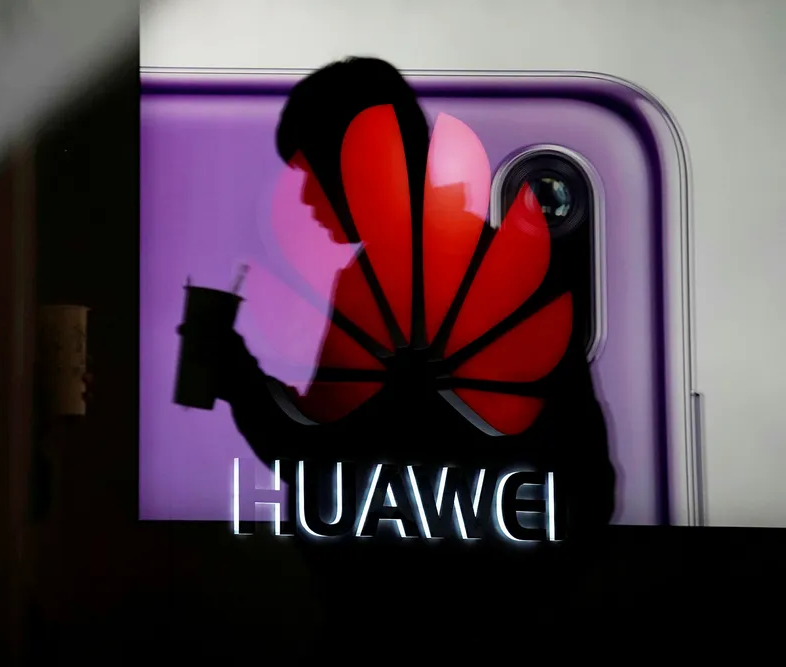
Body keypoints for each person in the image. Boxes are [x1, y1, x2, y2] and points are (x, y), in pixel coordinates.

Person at [181, 57, 615, 630]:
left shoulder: (378, 285)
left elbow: (324, 458)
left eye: (312, 169)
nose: (305, 196)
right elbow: (586, 484)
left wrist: (235, 377)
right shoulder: (503, 268)